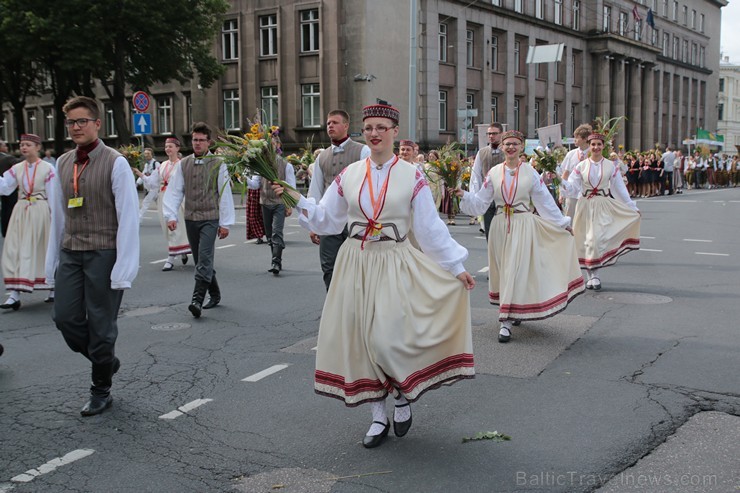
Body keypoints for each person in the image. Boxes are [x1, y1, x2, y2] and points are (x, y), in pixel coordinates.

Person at [273, 103, 475, 448]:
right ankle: (377, 415)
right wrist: (297, 199)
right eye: (369, 128)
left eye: (382, 127)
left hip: (393, 258)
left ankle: (400, 397)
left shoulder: (412, 175)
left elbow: (429, 228)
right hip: (356, 260)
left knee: (387, 337)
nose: (375, 133)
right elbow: (328, 219)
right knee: (362, 340)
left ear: (395, 132)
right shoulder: (349, 175)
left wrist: (455, 266)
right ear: (362, 132)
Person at [45, 96, 140, 416]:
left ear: (97, 124)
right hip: (71, 250)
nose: (75, 128)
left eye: (81, 121)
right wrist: (53, 259)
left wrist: (124, 266)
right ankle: (106, 362)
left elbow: (128, 215)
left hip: (104, 252)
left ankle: (100, 389)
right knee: (65, 318)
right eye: (71, 122)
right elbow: (58, 214)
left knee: (101, 324)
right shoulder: (61, 162)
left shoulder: (115, 162)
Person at [456, 130, 584, 343]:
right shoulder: (494, 173)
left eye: (515, 144)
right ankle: (512, 308)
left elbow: (544, 201)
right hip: (499, 225)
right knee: (504, 269)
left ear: (522, 147)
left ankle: (505, 321)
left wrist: (562, 224)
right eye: (507, 144)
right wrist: (464, 195)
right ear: (503, 147)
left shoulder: (531, 173)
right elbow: (481, 202)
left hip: (523, 224)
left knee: (515, 268)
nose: (511, 148)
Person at [163, 122, 235, 318]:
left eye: (201, 140)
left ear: (208, 142)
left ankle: (197, 300)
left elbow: (225, 193)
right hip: (190, 218)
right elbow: (175, 191)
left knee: (204, 258)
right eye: (195, 139)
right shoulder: (183, 164)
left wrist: (225, 223)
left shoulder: (218, 163)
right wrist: (171, 215)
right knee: (200, 260)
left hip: (210, 218)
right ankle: (215, 293)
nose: (197, 143)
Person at [560, 133, 641, 291]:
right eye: (593, 144)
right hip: (584, 205)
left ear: (603, 146)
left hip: (602, 205)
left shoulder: (611, 166)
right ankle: (591, 275)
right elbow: (572, 187)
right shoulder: (581, 166)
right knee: (587, 240)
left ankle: (595, 274)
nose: (596, 147)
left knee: (596, 239)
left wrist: (632, 207)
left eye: (599, 144)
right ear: (589, 146)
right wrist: (559, 180)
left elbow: (619, 189)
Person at [307, 110, 370, 290]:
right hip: (329, 221)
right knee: (329, 267)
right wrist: (314, 224)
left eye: (335, 122)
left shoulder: (362, 151)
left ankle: (355, 308)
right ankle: (333, 309)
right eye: (328, 123)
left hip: (356, 220)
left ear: (346, 125)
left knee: (357, 268)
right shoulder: (322, 157)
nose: (330, 126)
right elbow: (315, 192)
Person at [0, 134, 57, 310]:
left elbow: (54, 194)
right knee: (15, 250)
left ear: (37, 147)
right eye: (22, 145)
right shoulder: (17, 168)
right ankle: (15, 294)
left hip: (40, 210)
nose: (24, 148)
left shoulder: (48, 169)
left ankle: (53, 288)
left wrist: (55, 217)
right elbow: (5, 187)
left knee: (43, 248)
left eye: (28, 145)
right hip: (21, 211)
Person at [133, 138, 191, 271]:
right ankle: (182, 251)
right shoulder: (162, 165)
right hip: (163, 198)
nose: (168, 149)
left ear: (177, 148)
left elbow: (186, 184)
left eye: (170, 146)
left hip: (177, 200)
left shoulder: (182, 165)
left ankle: (170, 258)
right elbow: (153, 182)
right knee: (167, 228)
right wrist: (140, 174)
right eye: (166, 147)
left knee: (175, 228)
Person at [245, 134, 296, 275]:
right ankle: (276, 254)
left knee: (277, 232)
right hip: (265, 202)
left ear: (278, 146)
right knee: (269, 235)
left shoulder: (286, 165)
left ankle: (276, 262)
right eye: (267, 145)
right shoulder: (261, 165)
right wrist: (244, 174)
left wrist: (289, 205)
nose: (269, 147)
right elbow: (255, 185)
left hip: (279, 203)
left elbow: (291, 187)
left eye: (272, 144)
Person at [471, 123, 505, 237]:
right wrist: (476, 196)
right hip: (488, 197)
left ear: (501, 134)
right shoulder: (482, 152)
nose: (491, 136)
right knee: (489, 231)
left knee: (504, 231)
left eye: (494, 133)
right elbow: (476, 175)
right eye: (489, 133)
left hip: (505, 196)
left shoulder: (508, 152)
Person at [559, 124, 592, 219]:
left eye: (577, 138)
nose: (575, 140)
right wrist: (561, 193)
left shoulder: (593, 154)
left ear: (585, 139)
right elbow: (565, 174)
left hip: (588, 194)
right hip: (572, 193)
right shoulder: (571, 154)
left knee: (587, 220)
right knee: (570, 218)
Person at [0, 140, 20, 237]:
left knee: (4, 209)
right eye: (5, 145)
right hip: (11, 187)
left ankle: (4, 230)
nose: (7, 147)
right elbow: (19, 165)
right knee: (11, 209)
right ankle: (10, 229)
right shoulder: (8, 158)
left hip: (2, 189)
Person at [137, 148, 160, 221]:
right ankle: (166, 218)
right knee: (160, 204)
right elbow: (143, 174)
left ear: (152, 154)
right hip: (149, 188)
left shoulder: (156, 164)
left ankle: (139, 219)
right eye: (145, 154)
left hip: (155, 188)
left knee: (145, 202)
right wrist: (137, 183)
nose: (146, 155)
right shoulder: (146, 164)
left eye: (148, 154)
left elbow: (155, 178)